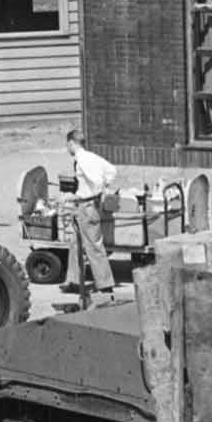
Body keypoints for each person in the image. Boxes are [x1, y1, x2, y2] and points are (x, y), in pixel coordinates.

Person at [63, 128, 118, 308]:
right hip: (83, 205)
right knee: (74, 243)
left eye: (67, 145)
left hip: (86, 206)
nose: (67, 148)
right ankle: (73, 280)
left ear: (72, 143)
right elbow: (112, 171)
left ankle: (105, 284)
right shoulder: (92, 157)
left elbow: (96, 182)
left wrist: (90, 194)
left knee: (93, 245)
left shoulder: (83, 160)